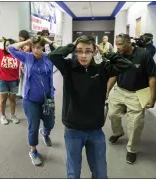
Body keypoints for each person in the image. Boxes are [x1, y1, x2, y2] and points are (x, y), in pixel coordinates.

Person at [48, 35, 133, 178]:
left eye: (88, 51)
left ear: (94, 52)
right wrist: (72, 46)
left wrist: (105, 52)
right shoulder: (69, 66)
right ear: (75, 51)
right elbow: (53, 55)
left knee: (100, 173)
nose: (83, 55)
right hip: (73, 129)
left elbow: (127, 65)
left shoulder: (102, 67)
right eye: (79, 51)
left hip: (95, 130)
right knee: (73, 172)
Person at [107, 33, 156, 164]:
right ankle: (118, 132)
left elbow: (152, 77)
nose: (117, 47)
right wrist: (106, 90)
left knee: (135, 124)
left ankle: (132, 149)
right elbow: (114, 74)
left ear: (128, 43)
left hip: (137, 93)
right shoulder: (118, 55)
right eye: (116, 44)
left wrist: (152, 98)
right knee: (112, 114)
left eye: (120, 44)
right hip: (120, 90)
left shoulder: (143, 55)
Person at [8, 35, 55, 166]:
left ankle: (45, 133)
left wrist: (49, 41)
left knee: (50, 123)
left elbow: (61, 50)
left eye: (38, 48)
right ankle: (33, 151)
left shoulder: (48, 57)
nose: (35, 50)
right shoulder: (27, 57)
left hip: (47, 99)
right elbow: (11, 48)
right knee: (33, 127)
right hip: (31, 100)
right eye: (33, 47)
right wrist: (27, 41)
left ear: (43, 47)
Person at [0, 37, 20, 124]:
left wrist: (16, 42)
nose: (8, 47)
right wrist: (0, 40)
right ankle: (3, 116)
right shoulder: (0, 52)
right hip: (2, 80)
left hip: (14, 80)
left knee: (12, 99)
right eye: (6, 45)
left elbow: (27, 46)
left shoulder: (18, 53)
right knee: (3, 99)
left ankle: (13, 115)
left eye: (10, 45)